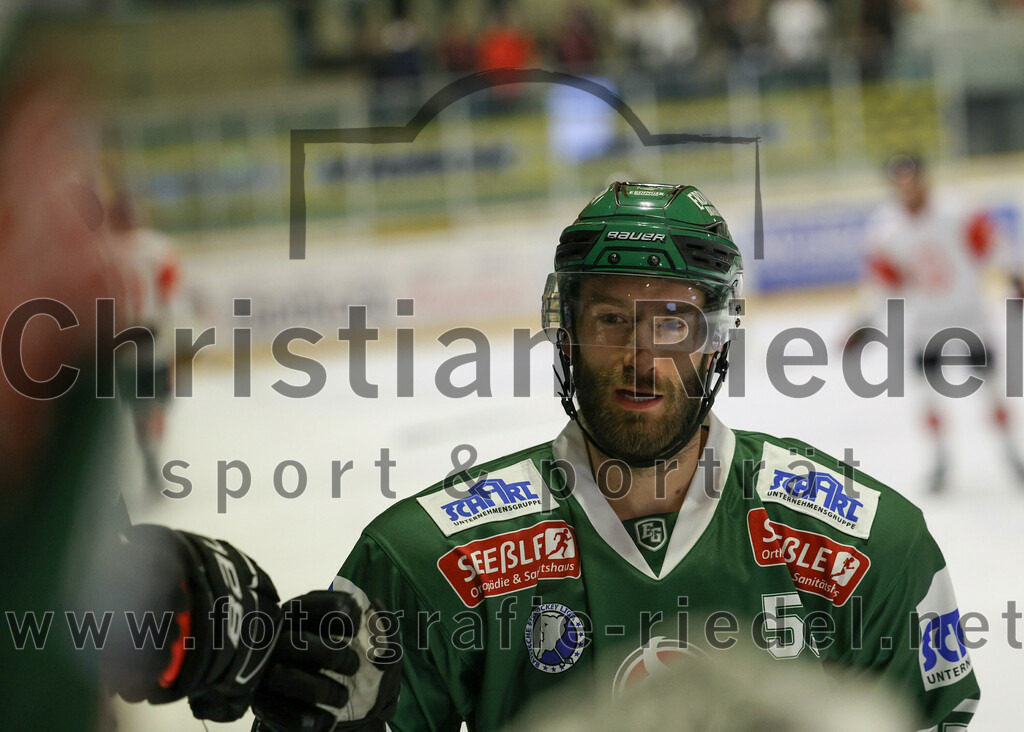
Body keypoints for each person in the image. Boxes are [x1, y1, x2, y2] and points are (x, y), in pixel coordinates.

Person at [251, 182, 980, 731]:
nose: (640, 358)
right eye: (609, 319)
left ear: (717, 339)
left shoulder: (867, 545)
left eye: (673, 321)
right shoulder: (427, 559)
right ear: (564, 332)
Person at [856, 153, 1024, 493]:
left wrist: (1015, 279)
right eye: (899, 182)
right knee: (927, 397)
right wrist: (866, 320)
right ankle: (940, 460)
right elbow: (883, 282)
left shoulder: (957, 210)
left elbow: (994, 245)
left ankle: (1011, 454)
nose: (907, 188)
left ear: (923, 178)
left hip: (969, 318)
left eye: (911, 179)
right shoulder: (884, 228)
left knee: (991, 391)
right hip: (924, 326)